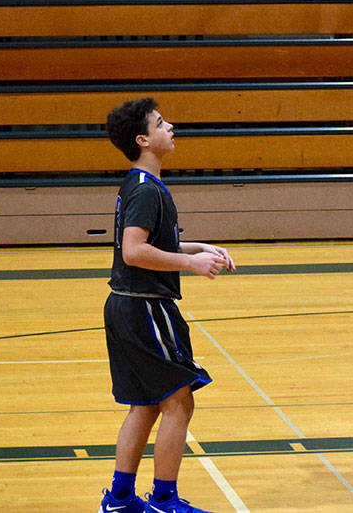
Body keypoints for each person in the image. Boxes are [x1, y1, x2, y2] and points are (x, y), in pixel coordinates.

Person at [98, 98, 236, 513]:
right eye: (161, 123)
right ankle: (164, 500)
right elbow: (134, 251)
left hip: (125, 305)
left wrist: (199, 246)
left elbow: (151, 244)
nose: (171, 126)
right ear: (143, 139)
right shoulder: (145, 190)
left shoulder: (141, 184)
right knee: (179, 401)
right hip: (145, 307)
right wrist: (190, 263)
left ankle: (121, 499)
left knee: (145, 405)